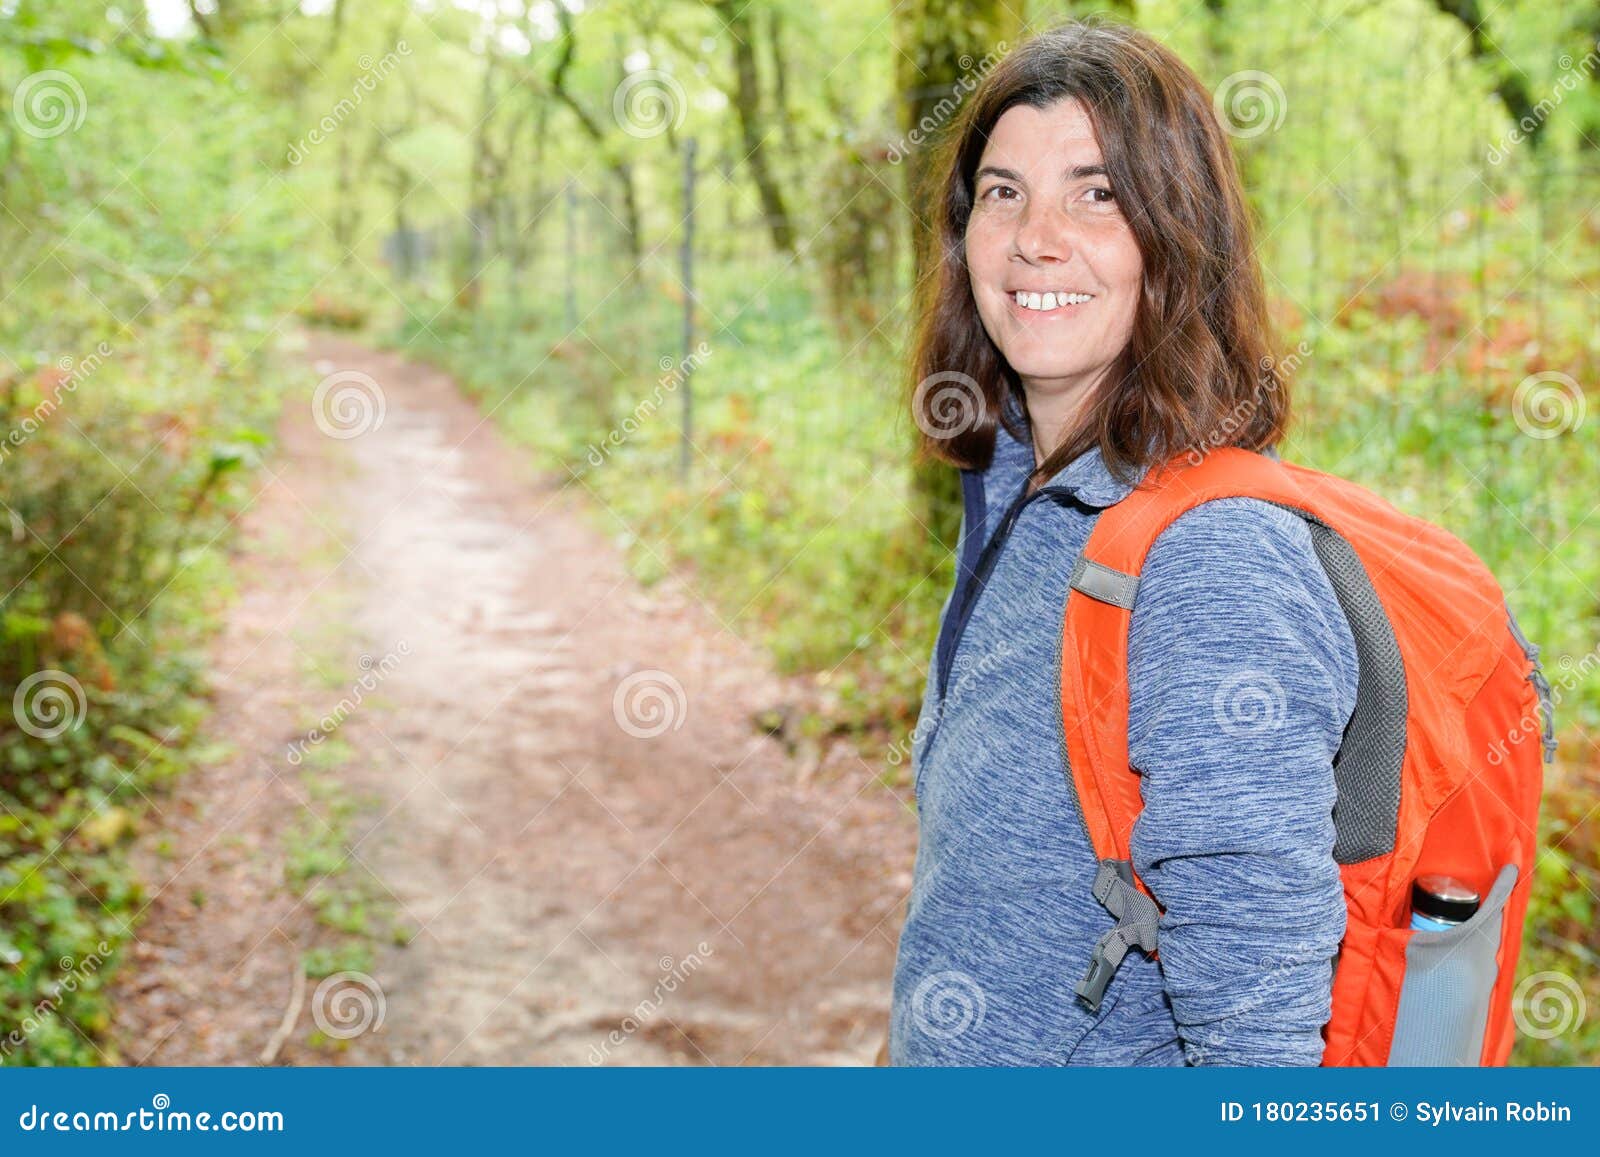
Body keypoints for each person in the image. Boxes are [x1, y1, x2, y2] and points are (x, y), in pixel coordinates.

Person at [885, 18, 1360, 1066]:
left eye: (1096, 193)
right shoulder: (1017, 487)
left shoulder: (1213, 560)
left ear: (1177, 237)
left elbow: (1257, 1041)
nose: (1034, 236)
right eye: (1001, 191)